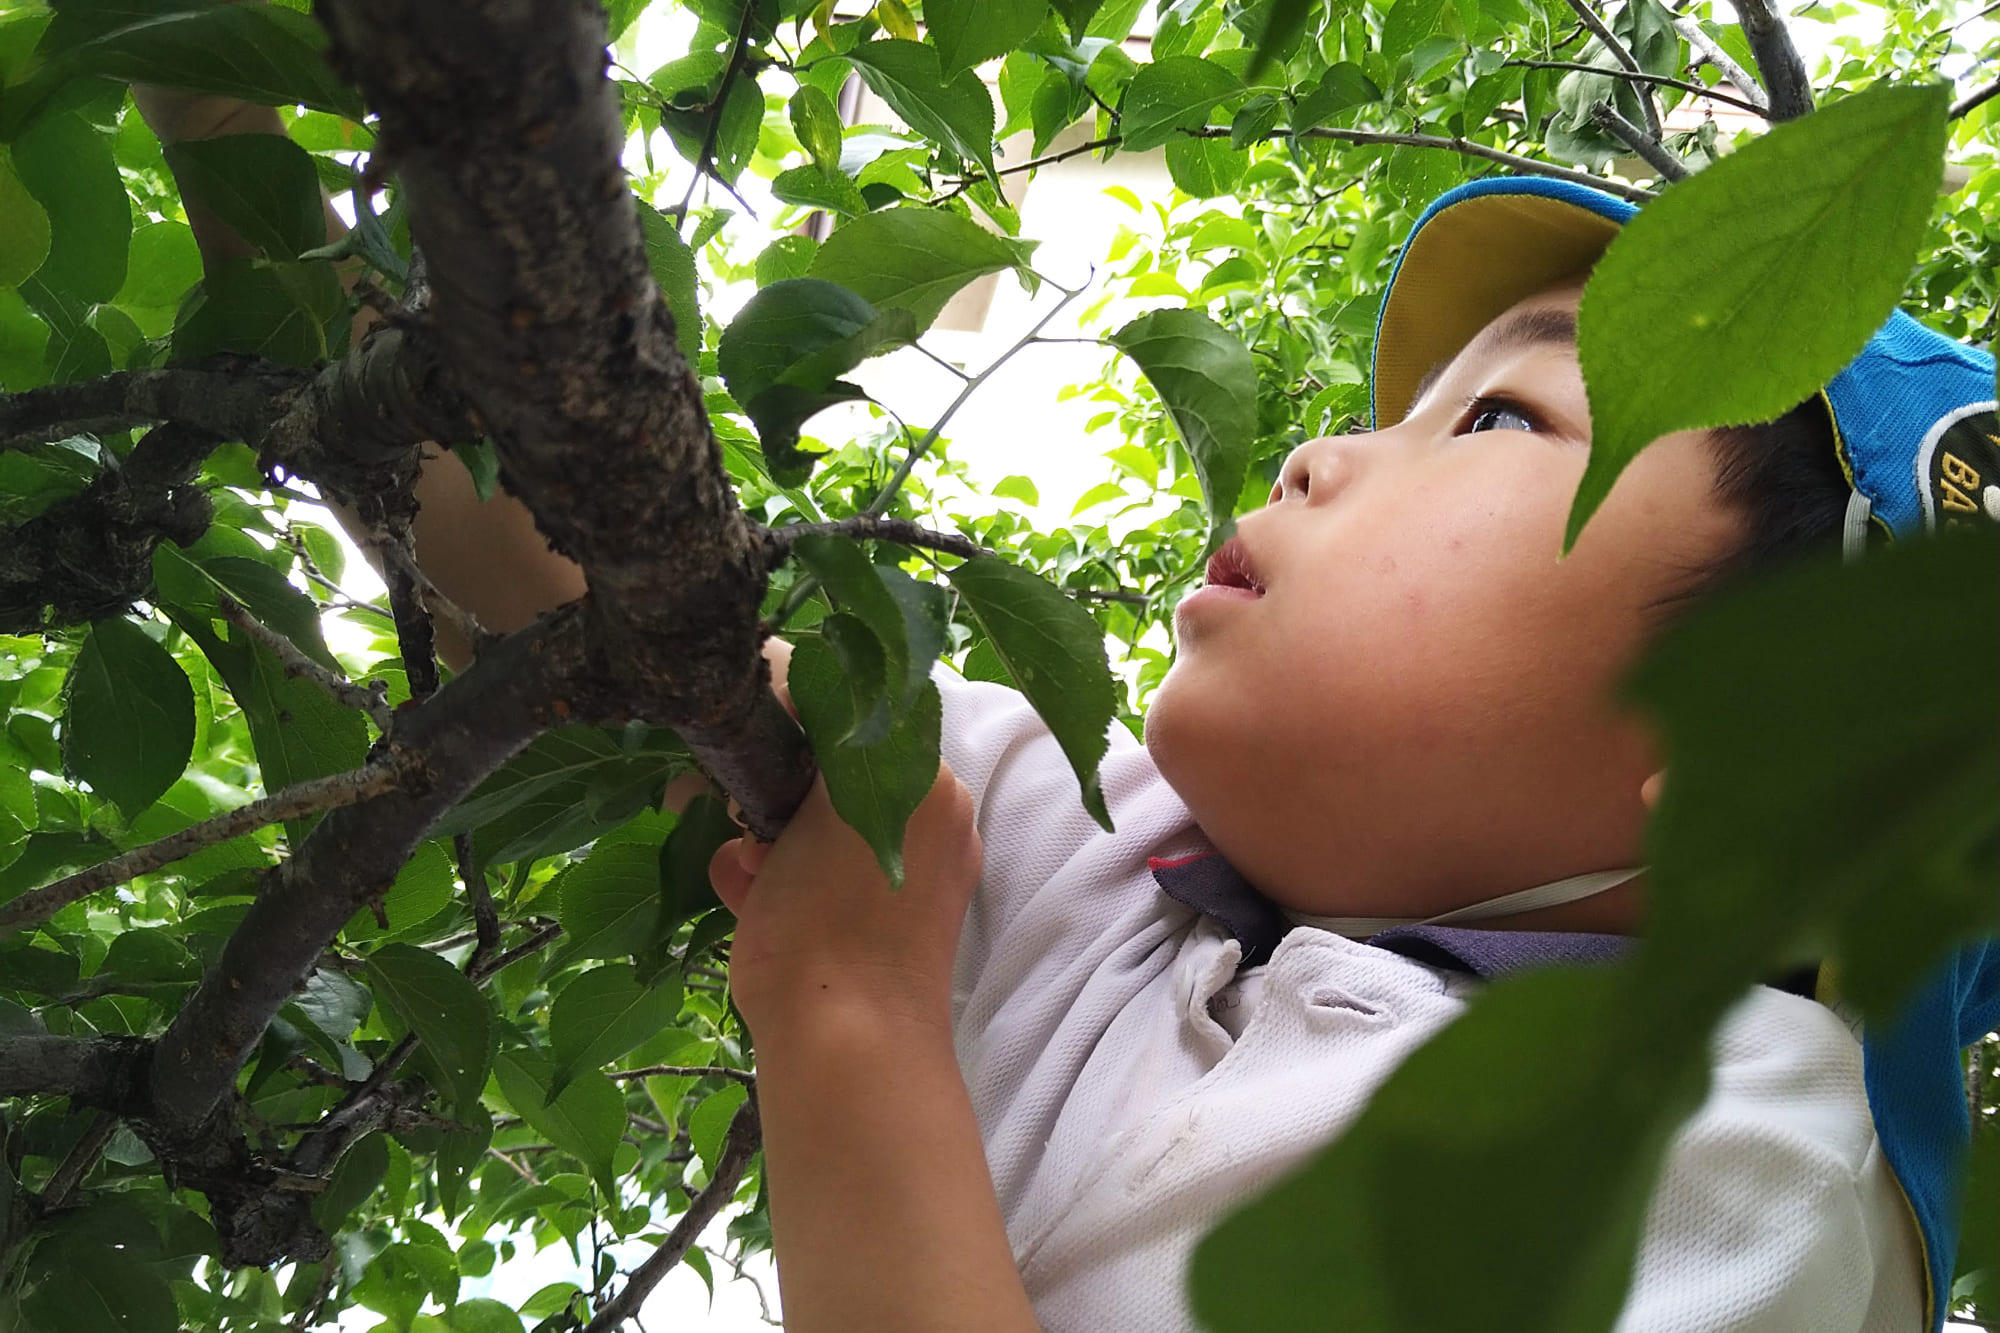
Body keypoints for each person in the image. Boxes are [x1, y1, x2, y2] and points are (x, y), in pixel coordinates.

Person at [139, 83, 1996, 1331]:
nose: (1331, 450)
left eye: (1506, 421)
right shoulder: (1083, 835)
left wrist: (853, 1012)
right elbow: (579, 587)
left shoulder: (1731, 1167)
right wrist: (234, 128)